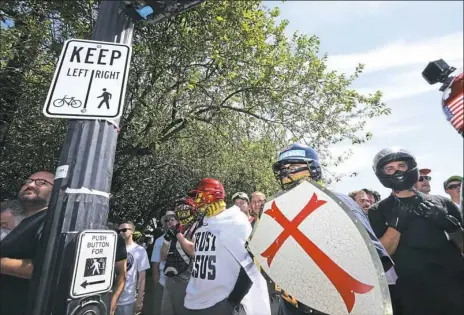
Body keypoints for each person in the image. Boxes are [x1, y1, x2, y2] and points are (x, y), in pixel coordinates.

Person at [270, 144, 394, 315]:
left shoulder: (337, 202)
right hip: (290, 305)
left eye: (293, 167)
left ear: (312, 169)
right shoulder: (279, 210)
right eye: (282, 168)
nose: (286, 173)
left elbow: (373, 259)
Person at [368, 147, 464, 315]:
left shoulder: (442, 202)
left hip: (456, 285)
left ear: (410, 167)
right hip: (414, 294)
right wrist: (395, 225)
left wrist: (451, 226)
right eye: (390, 168)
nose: (397, 170)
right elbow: (382, 255)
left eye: (401, 165)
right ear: (382, 174)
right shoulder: (377, 210)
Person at [184, 178, 270, 315]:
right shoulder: (202, 224)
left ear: (212, 195)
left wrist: (232, 302)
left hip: (219, 304)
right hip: (193, 302)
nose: (196, 202)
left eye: (199, 196)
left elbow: (249, 268)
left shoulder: (235, 222)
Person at [0, 171, 54, 315]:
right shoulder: (25, 221)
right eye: (28, 181)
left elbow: (44, 268)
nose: (30, 185)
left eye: (41, 183)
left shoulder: (51, 220)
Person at [160, 199, 198, 315]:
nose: (182, 211)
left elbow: (193, 252)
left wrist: (179, 235)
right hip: (170, 278)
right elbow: (163, 257)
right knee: (166, 311)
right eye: (179, 210)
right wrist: (167, 240)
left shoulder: (195, 228)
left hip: (187, 280)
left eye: (184, 209)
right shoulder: (171, 233)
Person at [116, 222, 150, 315]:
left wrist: (139, 300)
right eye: (118, 231)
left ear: (132, 231)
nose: (121, 233)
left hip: (127, 300)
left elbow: (142, 278)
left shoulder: (140, 250)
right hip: (110, 298)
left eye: (124, 230)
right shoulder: (113, 248)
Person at [107, 222, 129, 315]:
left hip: (107, 298)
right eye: (120, 230)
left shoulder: (117, 240)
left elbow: (122, 274)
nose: (121, 232)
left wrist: (113, 301)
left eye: (124, 230)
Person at [151, 217, 168, 315]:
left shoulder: (184, 238)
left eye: (172, 219)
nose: (170, 221)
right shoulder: (159, 241)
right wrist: (156, 283)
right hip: (162, 283)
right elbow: (155, 264)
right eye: (167, 220)